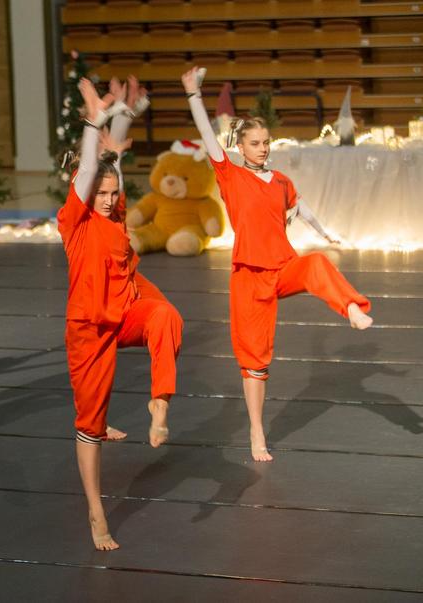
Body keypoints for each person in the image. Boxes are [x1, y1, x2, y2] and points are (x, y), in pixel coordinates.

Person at [182, 66, 372, 462]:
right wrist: (193, 95)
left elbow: (302, 208)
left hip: (283, 267)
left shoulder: (281, 180)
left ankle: (352, 308)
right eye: (255, 143)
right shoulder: (231, 176)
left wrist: (326, 234)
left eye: (266, 142)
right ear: (241, 147)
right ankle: (257, 430)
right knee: (254, 360)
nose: (263, 148)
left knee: (317, 263)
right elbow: (207, 136)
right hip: (250, 277)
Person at [59, 78, 183, 551]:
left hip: (125, 311)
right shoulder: (73, 222)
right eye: (102, 194)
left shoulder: (114, 213)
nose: (111, 200)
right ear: (85, 193)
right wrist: (94, 120)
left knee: (166, 316)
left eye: (114, 194)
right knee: (89, 424)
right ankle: (96, 510)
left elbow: (111, 165)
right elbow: (92, 167)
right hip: (89, 328)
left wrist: (126, 114)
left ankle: (159, 404)